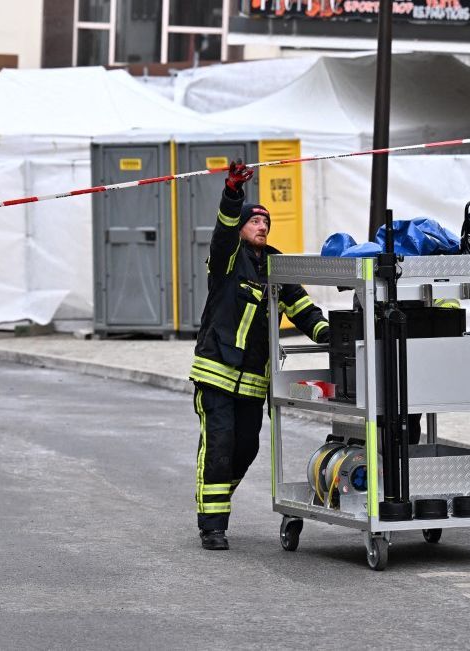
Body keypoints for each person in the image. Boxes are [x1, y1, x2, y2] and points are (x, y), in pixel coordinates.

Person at [189, 160, 330, 551]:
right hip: (216, 374)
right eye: (255, 222)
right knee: (219, 445)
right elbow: (223, 231)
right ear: (243, 227)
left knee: (246, 448)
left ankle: (212, 496)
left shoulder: (276, 264)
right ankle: (212, 526)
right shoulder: (227, 259)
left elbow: (302, 309)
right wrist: (233, 192)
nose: (262, 227)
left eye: (266, 223)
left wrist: (331, 336)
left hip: (253, 382)